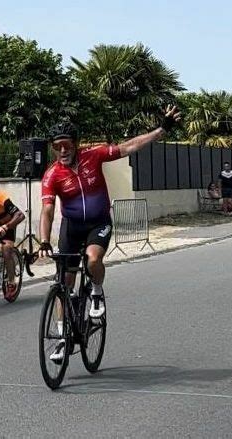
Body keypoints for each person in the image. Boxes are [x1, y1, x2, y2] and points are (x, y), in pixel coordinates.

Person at [39, 106, 180, 361]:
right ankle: (62, 338)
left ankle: (96, 291)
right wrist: (44, 241)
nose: (62, 151)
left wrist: (162, 130)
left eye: (67, 145)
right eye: (57, 146)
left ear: (76, 144)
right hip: (71, 228)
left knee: (93, 260)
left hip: (98, 222)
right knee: (63, 284)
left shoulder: (93, 156)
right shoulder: (51, 175)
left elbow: (129, 147)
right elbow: (47, 210)